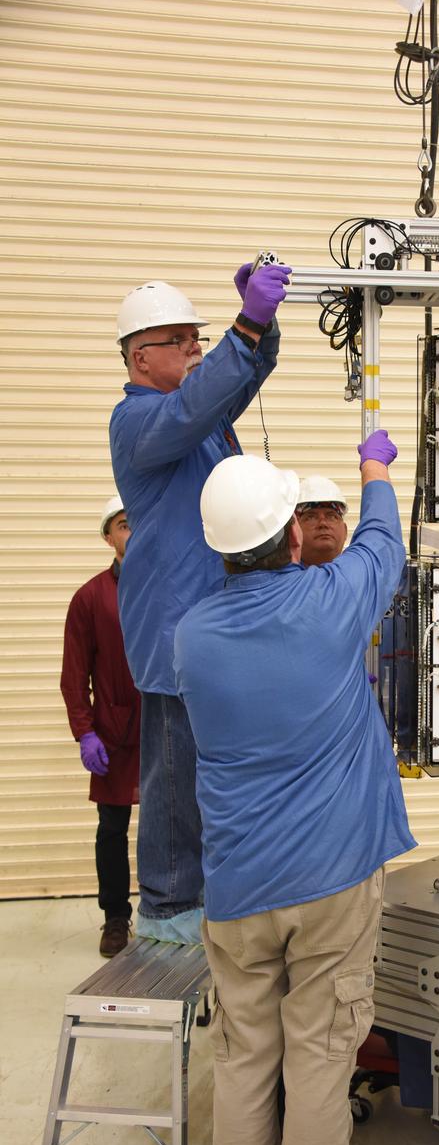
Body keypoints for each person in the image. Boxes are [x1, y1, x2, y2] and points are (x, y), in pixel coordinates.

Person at [173, 432, 415, 1145]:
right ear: (290, 539)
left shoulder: (192, 637)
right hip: (331, 883)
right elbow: (386, 544)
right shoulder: (330, 602)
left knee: (244, 1062)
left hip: (236, 890)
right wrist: (376, 469)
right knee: (317, 1062)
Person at [109, 261, 291, 943]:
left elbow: (232, 378)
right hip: (172, 625)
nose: (195, 348)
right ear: (140, 355)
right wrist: (243, 326)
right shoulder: (140, 420)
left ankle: (215, 890)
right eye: (181, 339)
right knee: (173, 771)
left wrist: (261, 330)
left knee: (214, 765)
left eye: (199, 336)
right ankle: (165, 905)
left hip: (214, 623)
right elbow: (200, 398)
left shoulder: (195, 414)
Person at [60, 495, 141, 957]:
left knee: (170, 827)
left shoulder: (166, 587)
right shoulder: (90, 598)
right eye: (125, 525)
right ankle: (115, 918)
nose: (134, 532)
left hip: (164, 728)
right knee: (112, 827)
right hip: (113, 733)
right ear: (109, 537)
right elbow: (74, 675)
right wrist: (85, 731)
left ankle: (166, 909)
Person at [296, 475, 348, 566]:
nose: (323, 523)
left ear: (345, 531)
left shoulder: (363, 576)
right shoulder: (277, 578)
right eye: (311, 517)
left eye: (332, 517)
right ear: (294, 531)